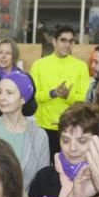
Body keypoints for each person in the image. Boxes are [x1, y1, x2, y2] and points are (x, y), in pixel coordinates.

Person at [30, 25, 90, 157]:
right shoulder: (39, 65)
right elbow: (32, 97)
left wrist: (68, 96)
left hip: (71, 129)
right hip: (42, 128)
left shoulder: (81, 67)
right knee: (44, 169)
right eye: (63, 40)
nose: (67, 44)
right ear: (54, 41)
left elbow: (85, 99)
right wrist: (52, 93)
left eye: (71, 41)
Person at [0, 70, 48, 189]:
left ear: (23, 99)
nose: (1, 98)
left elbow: (42, 179)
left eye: (9, 93)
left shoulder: (38, 135)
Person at [0, 38, 37, 116]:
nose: (3, 56)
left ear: (14, 56)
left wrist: (15, 107)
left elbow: (32, 108)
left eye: (8, 53)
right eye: (0, 52)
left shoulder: (26, 78)